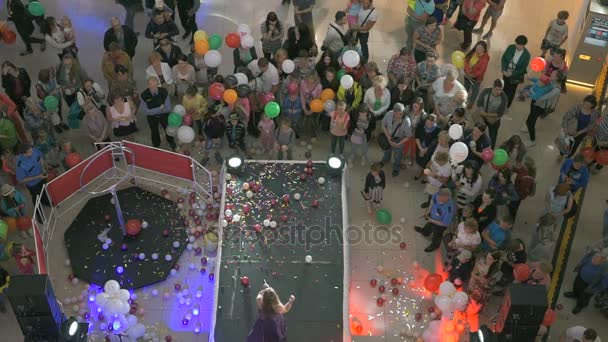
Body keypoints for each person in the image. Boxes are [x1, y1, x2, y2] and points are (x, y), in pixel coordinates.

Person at [565, 250, 608, 314]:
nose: (593, 261)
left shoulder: (605, 269)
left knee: (584, 297)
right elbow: (585, 259)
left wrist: (593, 290)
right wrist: (578, 268)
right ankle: (575, 294)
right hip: (580, 277)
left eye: (596, 260)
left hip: (589, 285)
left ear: (603, 260)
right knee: (576, 287)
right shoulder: (593, 254)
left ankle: (580, 306)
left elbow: (603, 284)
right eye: (593, 258)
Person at [140, 77, 175, 150]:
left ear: (158, 84)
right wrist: (159, 108)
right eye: (151, 85)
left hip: (164, 115)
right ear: (148, 85)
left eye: (154, 85)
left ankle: (171, 141)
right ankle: (156, 143)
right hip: (152, 117)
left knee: (167, 128)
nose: (153, 88)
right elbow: (146, 111)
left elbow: (168, 108)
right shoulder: (144, 95)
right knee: (154, 130)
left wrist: (152, 111)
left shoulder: (164, 92)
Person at [381, 103, 411, 177]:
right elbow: (383, 125)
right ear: (394, 112)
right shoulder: (388, 114)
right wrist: (388, 137)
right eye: (398, 114)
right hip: (389, 137)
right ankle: (385, 160)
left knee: (398, 156)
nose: (400, 116)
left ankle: (396, 167)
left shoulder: (406, 121)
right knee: (387, 151)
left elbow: (408, 136)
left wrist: (398, 144)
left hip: (400, 140)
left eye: (401, 114)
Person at [501, 35, 531, 108]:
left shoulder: (526, 55)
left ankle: (507, 105)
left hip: (515, 77)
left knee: (511, 91)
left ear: (523, 45)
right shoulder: (511, 47)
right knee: (504, 87)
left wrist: (512, 73)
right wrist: (504, 70)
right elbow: (504, 58)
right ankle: (501, 101)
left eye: (519, 45)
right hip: (506, 73)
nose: (517, 46)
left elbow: (523, 69)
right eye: (516, 44)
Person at [476, 79, 507, 148]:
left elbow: (500, 113)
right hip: (482, 117)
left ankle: (490, 149)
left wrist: (486, 114)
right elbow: (479, 103)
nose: (499, 92)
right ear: (493, 87)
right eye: (497, 89)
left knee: (492, 137)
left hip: (494, 120)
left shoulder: (504, 98)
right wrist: (481, 111)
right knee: (478, 132)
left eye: (501, 90)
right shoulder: (486, 91)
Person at [463, 41, 489, 106]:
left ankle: (471, 103)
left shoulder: (484, 60)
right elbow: (466, 60)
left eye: (480, 49)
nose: (477, 50)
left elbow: (481, 71)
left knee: (474, 91)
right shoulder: (473, 52)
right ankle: (463, 98)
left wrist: (471, 75)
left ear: (484, 49)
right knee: (466, 87)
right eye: (477, 48)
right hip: (468, 74)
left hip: (476, 79)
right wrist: (467, 70)